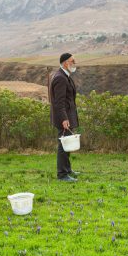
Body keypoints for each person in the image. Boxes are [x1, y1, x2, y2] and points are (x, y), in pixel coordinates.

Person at [50, 53, 80, 182]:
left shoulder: (66, 76)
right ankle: (62, 174)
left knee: (68, 144)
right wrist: (64, 119)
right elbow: (59, 102)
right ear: (65, 63)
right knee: (64, 145)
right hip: (64, 117)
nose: (75, 63)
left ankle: (67, 170)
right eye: (73, 61)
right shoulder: (60, 78)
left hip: (67, 115)